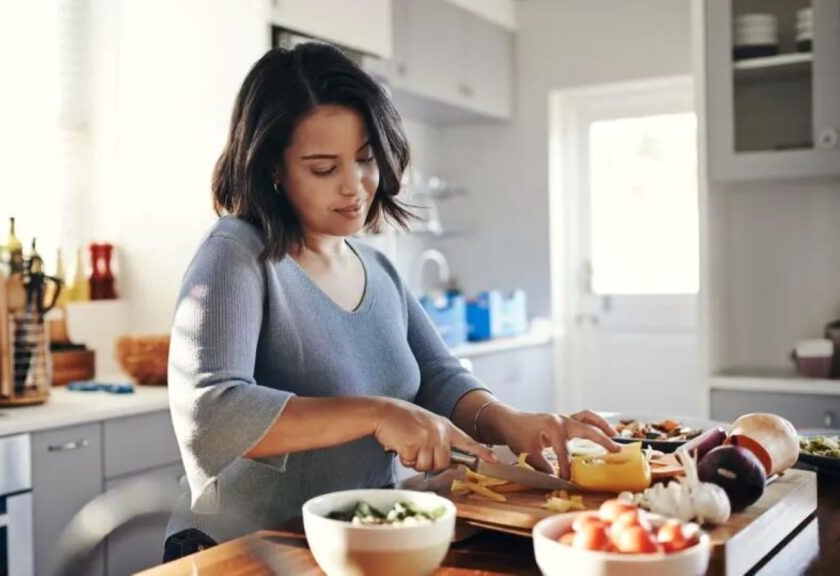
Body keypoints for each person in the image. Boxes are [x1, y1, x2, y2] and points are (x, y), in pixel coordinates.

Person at [164, 42, 620, 563]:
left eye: (364, 159)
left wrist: (509, 423)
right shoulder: (235, 254)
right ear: (272, 167)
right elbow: (210, 412)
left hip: (353, 544)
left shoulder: (375, 267)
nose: (355, 186)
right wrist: (377, 414)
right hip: (246, 549)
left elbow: (439, 379)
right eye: (322, 168)